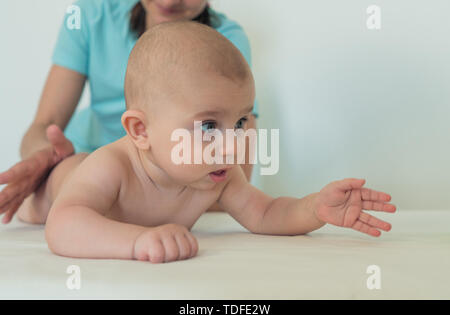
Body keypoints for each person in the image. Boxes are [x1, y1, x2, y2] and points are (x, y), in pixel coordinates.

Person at [10, 21, 396, 263]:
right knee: (66, 177)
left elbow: (266, 213)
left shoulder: (216, 175)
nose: (231, 144)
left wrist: (315, 207)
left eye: (241, 120)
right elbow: (63, 225)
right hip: (48, 191)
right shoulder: (111, 166)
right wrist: (139, 241)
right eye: (209, 126)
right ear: (141, 131)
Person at [0, 0, 258, 224]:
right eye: (208, 125)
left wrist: (146, 197)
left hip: (168, 178)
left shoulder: (226, 43)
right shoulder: (91, 14)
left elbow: (232, 182)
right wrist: (47, 161)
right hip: (81, 158)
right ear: (137, 128)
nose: (168, 1)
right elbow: (46, 124)